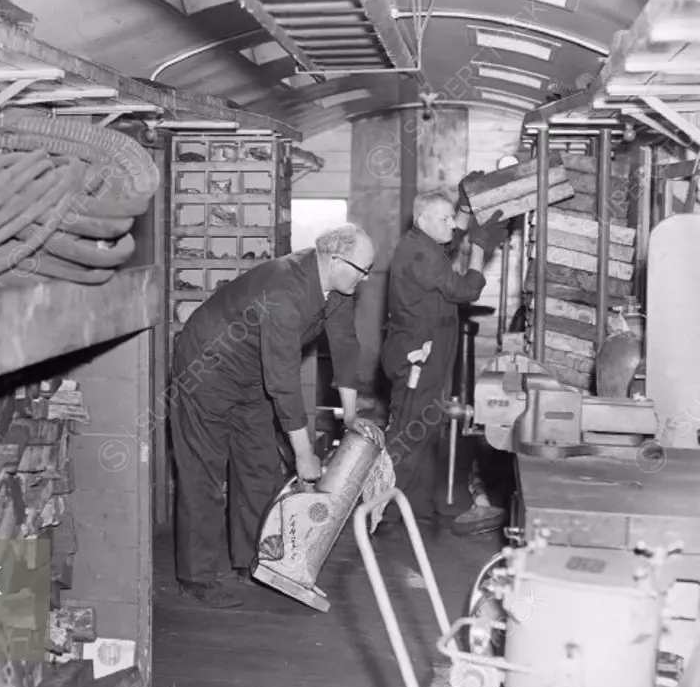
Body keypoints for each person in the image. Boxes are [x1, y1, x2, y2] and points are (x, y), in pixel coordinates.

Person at [169, 223, 377, 608]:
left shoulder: (335, 286)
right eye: (360, 269)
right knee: (204, 472)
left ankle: (252, 562)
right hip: (207, 368)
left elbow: (346, 345)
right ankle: (196, 576)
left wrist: (350, 416)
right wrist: (303, 454)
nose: (364, 279)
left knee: (259, 466)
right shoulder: (284, 291)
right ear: (334, 259)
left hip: (251, 375)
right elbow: (283, 380)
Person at [378, 189, 506, 533]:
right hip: (417, 359)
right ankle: (382, 512)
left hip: (428, 355)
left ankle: (415, 509)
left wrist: (464, 212)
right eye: (445, 218)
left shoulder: (423, 244)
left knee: (425, 431)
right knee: (409, 433)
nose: (451, 225)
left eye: (452, 217)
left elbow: (449, 242)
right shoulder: (421, 254)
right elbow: (465, 290)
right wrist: (479, 248)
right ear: (423, 221)